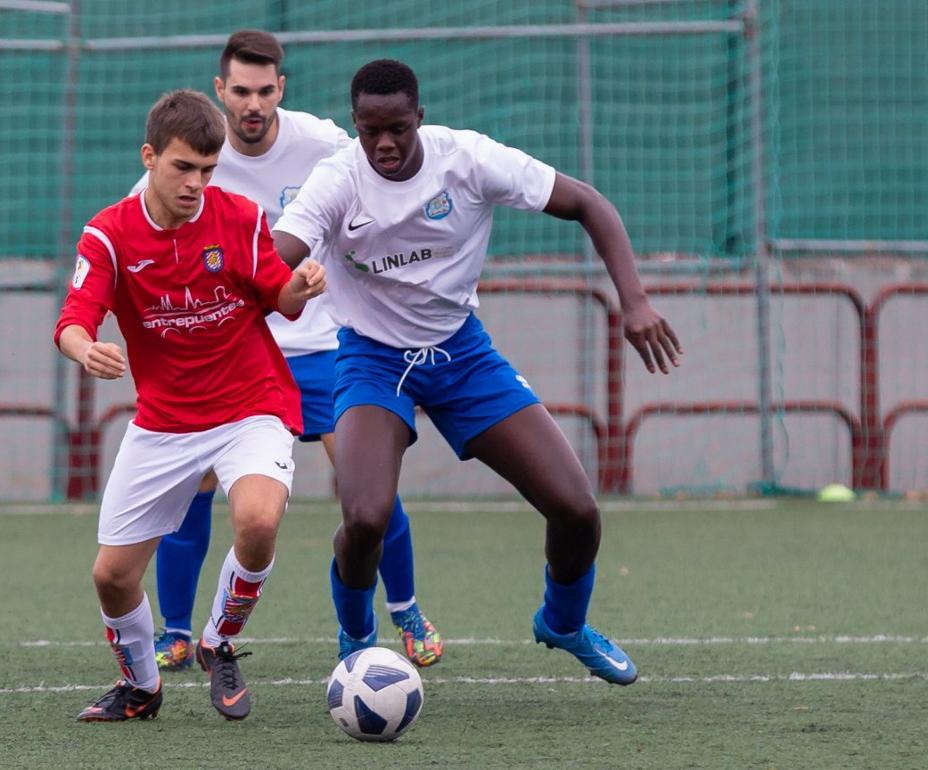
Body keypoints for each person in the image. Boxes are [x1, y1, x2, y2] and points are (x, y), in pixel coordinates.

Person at [272, 60, 683, 685]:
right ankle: (357, 641)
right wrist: (283, 286)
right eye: (370, 130)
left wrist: (636, 301)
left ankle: (563, 623)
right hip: (371, 360)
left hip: (461, 356)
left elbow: (589, 204)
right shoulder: (336, 180)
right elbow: (277, 257)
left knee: (576, 511)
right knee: (364, 519)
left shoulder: (466, 160)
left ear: (421, 118)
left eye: (398, 129)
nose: (384, 144)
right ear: (354, 124)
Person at [137, 31, 445, 671]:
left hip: (323, 346)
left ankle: (406, 609)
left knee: (368, 487)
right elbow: (149, 220)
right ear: (220, 91)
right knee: (191, 484)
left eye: (265, 91)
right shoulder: (198, 155)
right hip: (234, 354)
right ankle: (173, 629)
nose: (253, 104)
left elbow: (382, 187)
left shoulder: (325, 145)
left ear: (282, 89)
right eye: (240, 91)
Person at [55, 89, 326, 722]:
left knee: (257, 521)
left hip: (251, 404)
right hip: (165, 422)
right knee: (112, 578)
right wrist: (84, 348)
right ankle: (142, 689)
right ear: (149, 157)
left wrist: (300, 287)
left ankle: (218, 641)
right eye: (183, 168)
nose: (197, 183)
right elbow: (74, 317)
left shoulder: (241, 218)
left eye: (208, 170)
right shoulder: (110, 233)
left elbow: (278, 299)